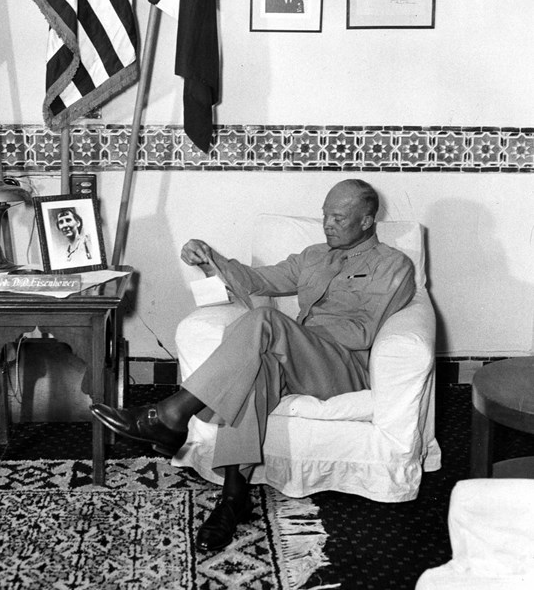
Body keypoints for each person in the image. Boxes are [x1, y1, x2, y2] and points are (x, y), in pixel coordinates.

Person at [90, 179, 415, 552]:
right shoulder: (312, 256)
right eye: (325, 215)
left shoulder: (393, 265)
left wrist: (293, 336)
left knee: (266, 321)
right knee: (254, 370)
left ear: (367, 221)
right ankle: (233, 498)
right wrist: (212, 259)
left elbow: (361, 332)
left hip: (342, 366)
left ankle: (171, 413)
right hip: (296, 356)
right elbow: (259, 280)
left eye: (338, 218)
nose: (327, 224)